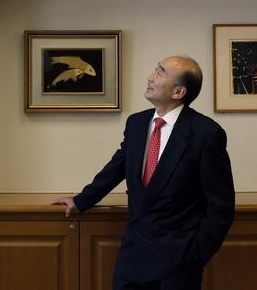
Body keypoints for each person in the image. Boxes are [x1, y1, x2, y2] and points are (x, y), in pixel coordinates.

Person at [52, 55, 235, 290]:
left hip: (179, 259)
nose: (150, 77)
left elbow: (222, 205)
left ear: (178, 92)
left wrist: (196, 254)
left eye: (159, 72)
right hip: (134, 254)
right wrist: (81, 200)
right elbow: (117, 166)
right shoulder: (136, 123)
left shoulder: (206, 133)